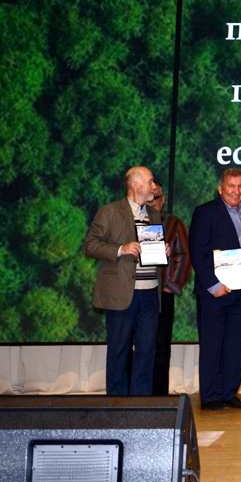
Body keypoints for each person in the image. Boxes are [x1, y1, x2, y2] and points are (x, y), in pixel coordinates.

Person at [82, 166, 163, 395]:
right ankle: (116, 404)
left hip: (150, 292)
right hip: (121, 293)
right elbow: (89, 246)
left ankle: (141, 403)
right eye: (150, 181)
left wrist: (162, 250)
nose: (154, 186)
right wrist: (120, 249)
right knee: (119, 350)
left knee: (147, 351)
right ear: (135, 185)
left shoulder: (154, 214)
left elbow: (151, 250)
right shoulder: (109, 211)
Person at [189, 167, 241, 411]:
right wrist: (213, 285)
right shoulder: (205, 212)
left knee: (235, 346)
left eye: (240, 186)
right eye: (231, 186)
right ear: (220, 188)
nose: (236, 191)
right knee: (212, 346)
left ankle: (229, 393)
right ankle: (210, 397)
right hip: (215, 292)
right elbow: (197, 252)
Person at [144, 180, 192, 395]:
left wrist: (170, 287)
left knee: (161, 347)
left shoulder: (175, 224)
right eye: (147, 197)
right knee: (133, 346)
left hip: (162, 295)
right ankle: (133, 394)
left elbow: (185, 258)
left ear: (162, 200)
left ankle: (159, 397)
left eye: (155, 197)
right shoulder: (130, 222)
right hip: (133, 294)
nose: (151, 202)